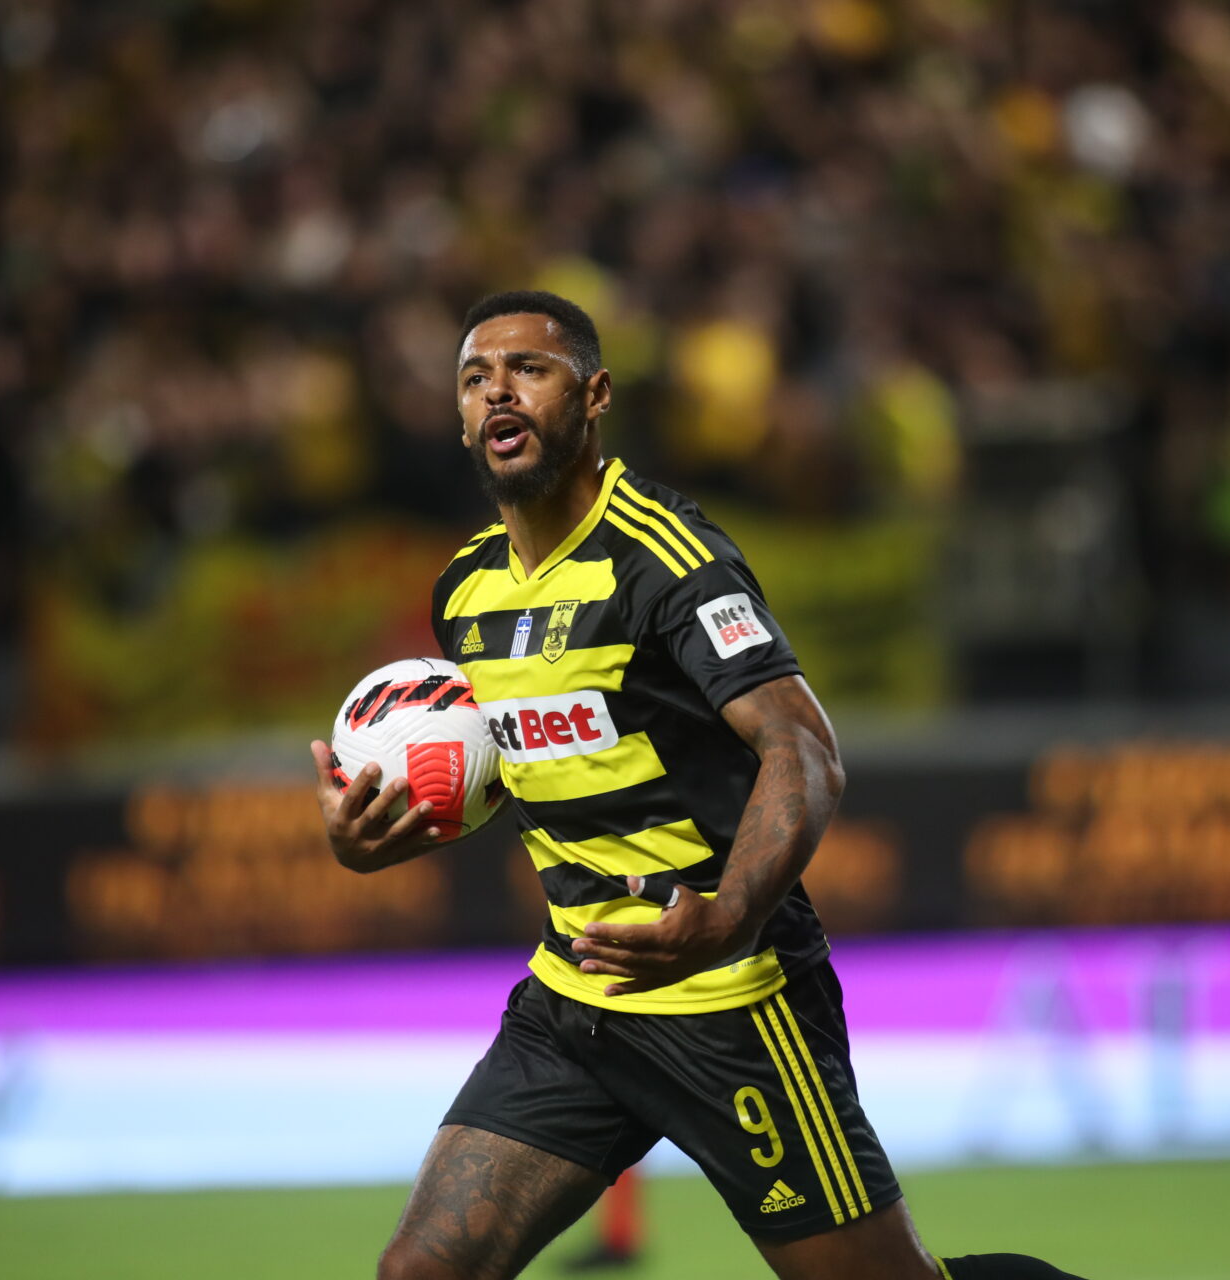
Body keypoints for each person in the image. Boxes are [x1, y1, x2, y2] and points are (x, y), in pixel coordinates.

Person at [311, 291, 1087, 1280]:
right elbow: (522, 763)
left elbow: (804, 751)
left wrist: (726, 919)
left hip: (730, 1001)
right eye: (475, 378)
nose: (498, 391)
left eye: (529, 369)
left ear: (594, 396)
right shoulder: (464, 589)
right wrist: (384, 829)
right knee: (418, 1273)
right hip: (573, 1003)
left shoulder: (668, 560)